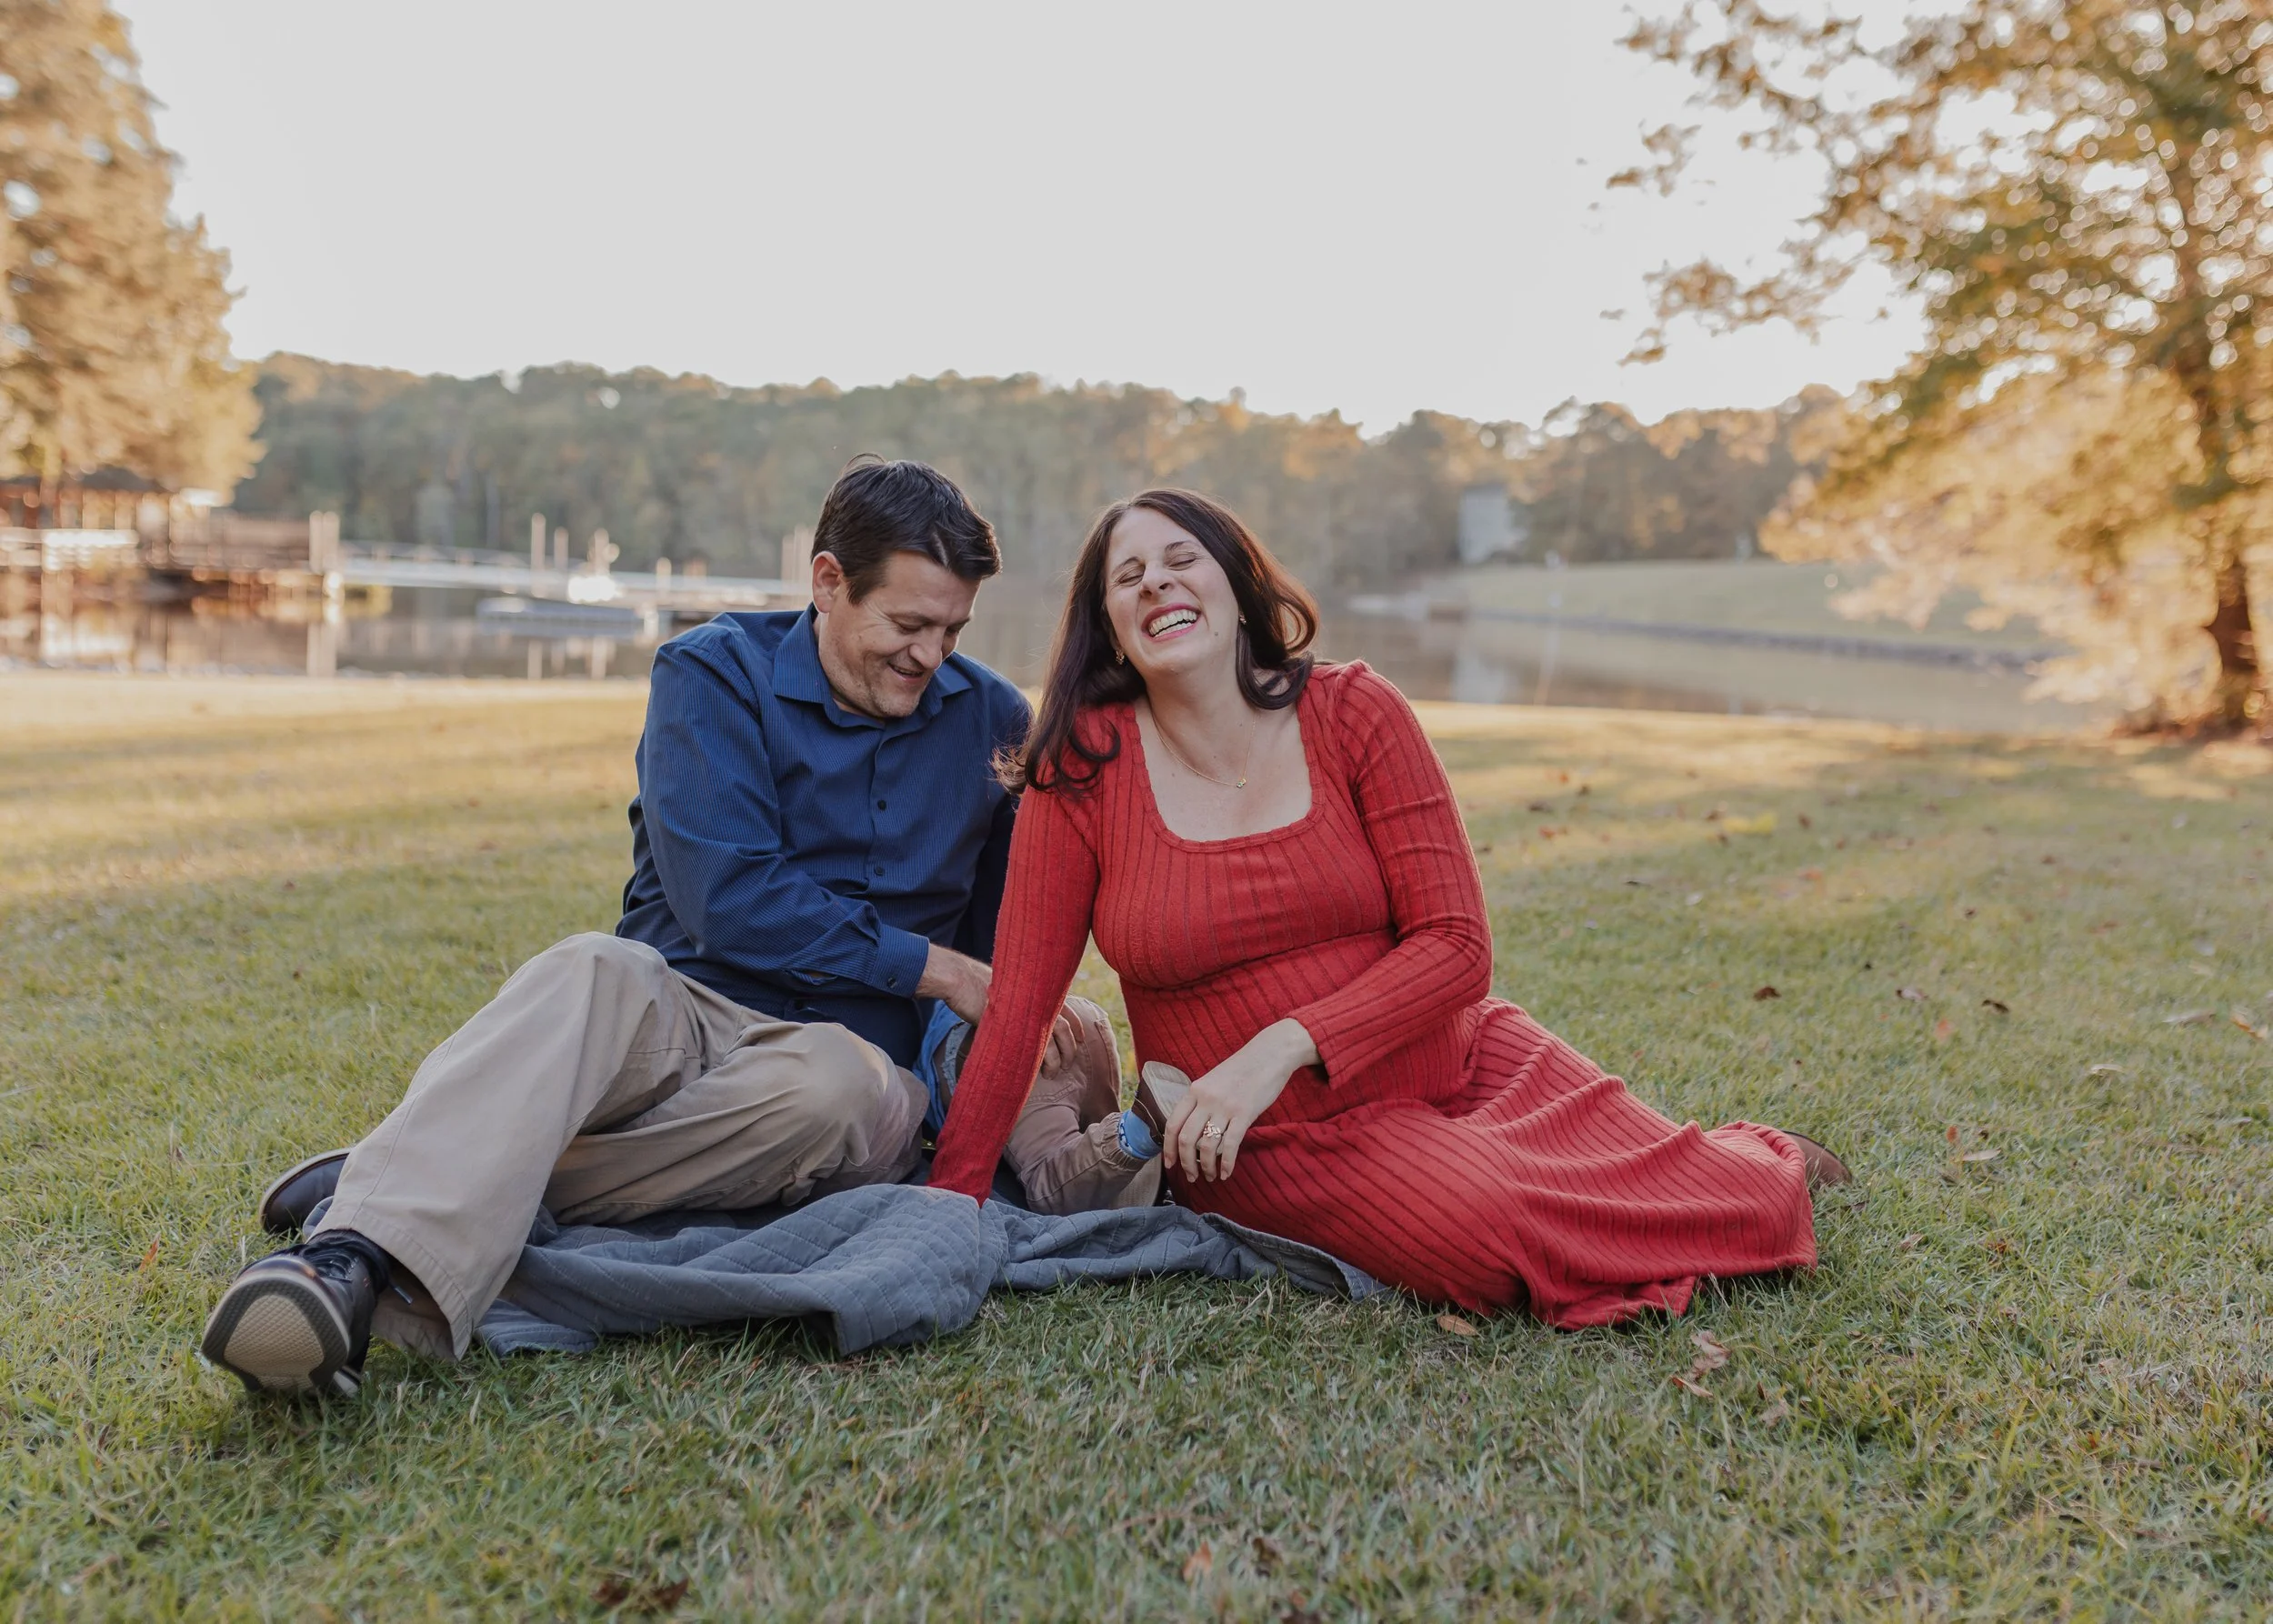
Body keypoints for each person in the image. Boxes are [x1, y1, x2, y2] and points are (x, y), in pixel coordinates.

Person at [199, 459, 1151, 1398]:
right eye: (906, 624)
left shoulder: (988, 715)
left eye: (952, 629)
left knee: (832, 1084)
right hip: (681, 1014)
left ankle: (396, 1177)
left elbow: (1000, 940)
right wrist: (937, 968)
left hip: (850, 1075)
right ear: (826, 581)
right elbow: (726, 896)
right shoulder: (711, 673)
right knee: (590, 965)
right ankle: (340, 1267)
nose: (930, 655)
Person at [928, 489, 1844, 1327]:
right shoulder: (1080, 769)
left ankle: (1752, 1156)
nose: (1156, 581)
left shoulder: (1355, 712)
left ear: (1237, 583)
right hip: (1271, 1138)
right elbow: (1022, 1008)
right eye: (1126, 577)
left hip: (1465, 1061)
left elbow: (1454, 946)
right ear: (1109, 628)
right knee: (1488, 1233)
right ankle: (1587, 1189)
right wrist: (950, 1199)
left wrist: (1279, 1043)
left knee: (1757, 1200)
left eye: (1181, 559)